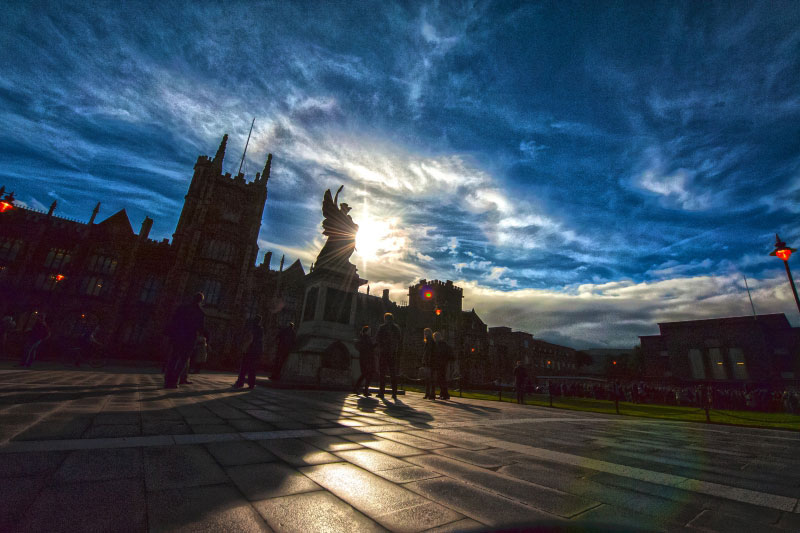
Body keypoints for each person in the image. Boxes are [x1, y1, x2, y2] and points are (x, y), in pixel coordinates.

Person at [164, 293, 206, 389]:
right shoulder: (200, 312)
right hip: (189, 339)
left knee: (173, 359)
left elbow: (173, 320)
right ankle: (174, 381)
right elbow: (201, 328)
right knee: (182, 360)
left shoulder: (182, 308)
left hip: (178, 337)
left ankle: (167, 380)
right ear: (200, 301)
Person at [376, 312, 401, 400]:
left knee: (382, 373)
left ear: (385, 319)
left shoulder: (382, 327)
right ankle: (394, 393)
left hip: (384, 352)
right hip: (393, 353)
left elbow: (378, 339)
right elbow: (399, 340)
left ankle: (381, 392)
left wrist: (380, 347)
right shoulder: (396, 328)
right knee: (393, 373)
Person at [234, 315, 263, 389]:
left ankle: (240, 383)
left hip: (249, 350)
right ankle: (251, 384)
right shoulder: (260, 329)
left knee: (244, 367)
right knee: (252, 368)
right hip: (256, 351)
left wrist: (244, 348)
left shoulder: (251, 328)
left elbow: (249, 339)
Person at [353, 326, 374, 396]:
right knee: (366, 374)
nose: (370, 332)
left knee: (366, 374)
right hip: (365, 358)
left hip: (367, 358)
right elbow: (367, 347)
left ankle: (361, 389)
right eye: (369, 330)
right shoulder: (365, 338)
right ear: (366, 331)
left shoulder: (366, 338)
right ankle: (362, 389)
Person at [433, 331, 452, 400]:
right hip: (443, 364)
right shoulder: (444, 344)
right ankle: (443, 394)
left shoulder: (440, 344)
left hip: (441, 364)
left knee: (441, 379)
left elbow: (439, 354)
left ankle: (445, 394)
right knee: (442, 379)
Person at [421, 328, 436, 400]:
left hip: (430, 362)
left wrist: (426, 360)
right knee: (429, 379)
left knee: (429, 379)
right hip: (430, 362)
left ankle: (430, 394)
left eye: (426, 333)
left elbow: (428, 352)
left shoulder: (429, 341)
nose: (425, 334)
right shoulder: (430, 341)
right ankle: (429, 393)